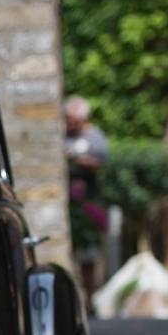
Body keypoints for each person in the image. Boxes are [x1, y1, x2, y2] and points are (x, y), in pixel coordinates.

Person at [64, 95, 110, 304]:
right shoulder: (64, 136)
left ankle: (89, 300)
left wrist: (75, 159)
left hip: (88, 203)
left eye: (72, 118)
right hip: (69, 203)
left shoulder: (95, 137)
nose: (69, 122)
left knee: (88, 256)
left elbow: (100, 163)